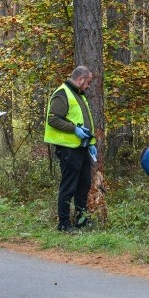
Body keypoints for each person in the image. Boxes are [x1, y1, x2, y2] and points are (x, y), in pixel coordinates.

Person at [44, 66, 98, 232]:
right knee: (69, 186)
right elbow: (52, 119)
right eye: (88, 82)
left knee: (84, 185)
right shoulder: (62, 94)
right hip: (68, 148)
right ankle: (64, 223)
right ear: (80, 79)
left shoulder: (78, 94)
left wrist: (90, 142)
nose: (88, 86)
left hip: (81, 148)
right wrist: (74, 129)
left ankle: (81, 220)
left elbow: (82, 120)